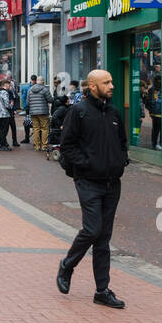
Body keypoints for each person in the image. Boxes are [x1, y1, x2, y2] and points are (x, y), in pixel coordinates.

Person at [57, 70, 130, 309]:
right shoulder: (78, 112)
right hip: (88, 181)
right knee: (92, 229)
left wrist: (121, 160)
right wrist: (87, 164)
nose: (112, 86)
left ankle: (102, 291)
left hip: (112, 183)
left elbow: (122, 142)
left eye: (111, 81)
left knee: (103, 238)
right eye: (106, 82)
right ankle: (68, 264)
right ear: (92, 85)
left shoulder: (114, 113)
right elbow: (67, 145)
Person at [0, 80, 15, 151]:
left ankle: (3, 144)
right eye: (9, 85)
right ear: (5, 85)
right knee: (4, 131)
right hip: (4, 114)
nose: (10, 86)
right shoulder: (5, 92)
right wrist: (11, 105)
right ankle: (3, 146)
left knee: (0, 130)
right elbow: (7, 105)